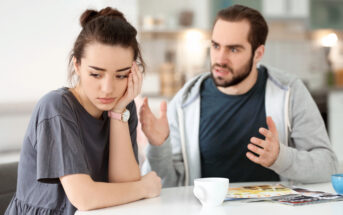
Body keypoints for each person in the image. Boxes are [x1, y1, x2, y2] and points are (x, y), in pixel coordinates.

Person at [139, 5, 338, 187]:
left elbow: (328, 166)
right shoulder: (185, 101)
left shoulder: (290, 91)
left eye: (233, 49)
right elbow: (166, 185)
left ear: (258, 53)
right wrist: (158, 148)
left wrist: (280, 157)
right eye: (216, 46)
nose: (220, 59)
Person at [6, 7, 161, 215]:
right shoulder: (56, 107)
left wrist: (118, 113)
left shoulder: (123, 106)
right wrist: (144, 187)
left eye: (121, 75)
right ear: (77, 65)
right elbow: (85, 198)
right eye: (96, 74)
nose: (108, 88)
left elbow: (125, 185)